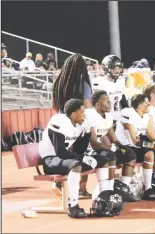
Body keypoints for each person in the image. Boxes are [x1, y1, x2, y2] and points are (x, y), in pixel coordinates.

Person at [39, 99, 110, 218]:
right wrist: (82, 158)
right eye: (82, 113)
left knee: (102, 160)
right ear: (73, 114)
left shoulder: (78, 124)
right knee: (76, 165)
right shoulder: (58, 121)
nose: (85, 116)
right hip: (51, 159)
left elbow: (79, 150)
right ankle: (73, 206)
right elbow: (60, 151)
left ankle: (103, 200)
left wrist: (86, 132)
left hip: (65, 159)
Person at [85, 90, 140, 202]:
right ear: (97, 105)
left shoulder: (108, 116)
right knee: (110, 155)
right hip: (87, 150)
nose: (110, 104)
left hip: (100, 149)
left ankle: (123, 188)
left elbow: (113, 138)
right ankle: (107, 191)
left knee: (130, 154)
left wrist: (122, 147)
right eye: (107, 102)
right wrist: (111, 148)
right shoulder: (90, 116)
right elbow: (94, 143)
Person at [52, 53, 93, 198]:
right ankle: (81, 188)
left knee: (65, 153)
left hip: (60, 122)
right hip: (78, 123)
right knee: (83, 152)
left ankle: (59, 183)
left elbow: (54, 104)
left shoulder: (59, 82)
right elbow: (87, 107)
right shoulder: (83, 84)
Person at [91, 55, 129, 123]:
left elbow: (123, 100)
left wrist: (127, 113)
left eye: (119, 69)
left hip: (118, 117)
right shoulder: (98, 82)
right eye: (114, 69)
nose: (117, 71)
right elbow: (95, 105)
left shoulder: (121, 81)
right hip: (104, 118)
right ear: (106, 69)